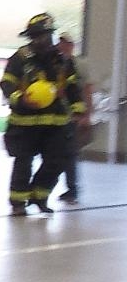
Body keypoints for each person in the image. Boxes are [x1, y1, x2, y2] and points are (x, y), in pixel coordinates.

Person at [0, 13, 85, 216]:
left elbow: (73, 87)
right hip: (24, 122)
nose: (41, 40)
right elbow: (6, 84)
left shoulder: (63, 60)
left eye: (45, 35)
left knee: (57, 161)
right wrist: (21, 99)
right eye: (36, 36)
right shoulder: (20, 58)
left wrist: (79, 111)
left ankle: (39, 196)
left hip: (55, 123)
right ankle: (18, 203)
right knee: (23, 163)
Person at [55, 32, 93, 204]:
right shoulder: (56, 63)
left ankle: (72, 189)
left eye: (66, 43)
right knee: (60, 153)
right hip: (57, 114)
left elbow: (87, 89)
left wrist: (86, 114)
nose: (62, 46)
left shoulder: (80, 64)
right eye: (60, 43)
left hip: (74, 115)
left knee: (70, 153)